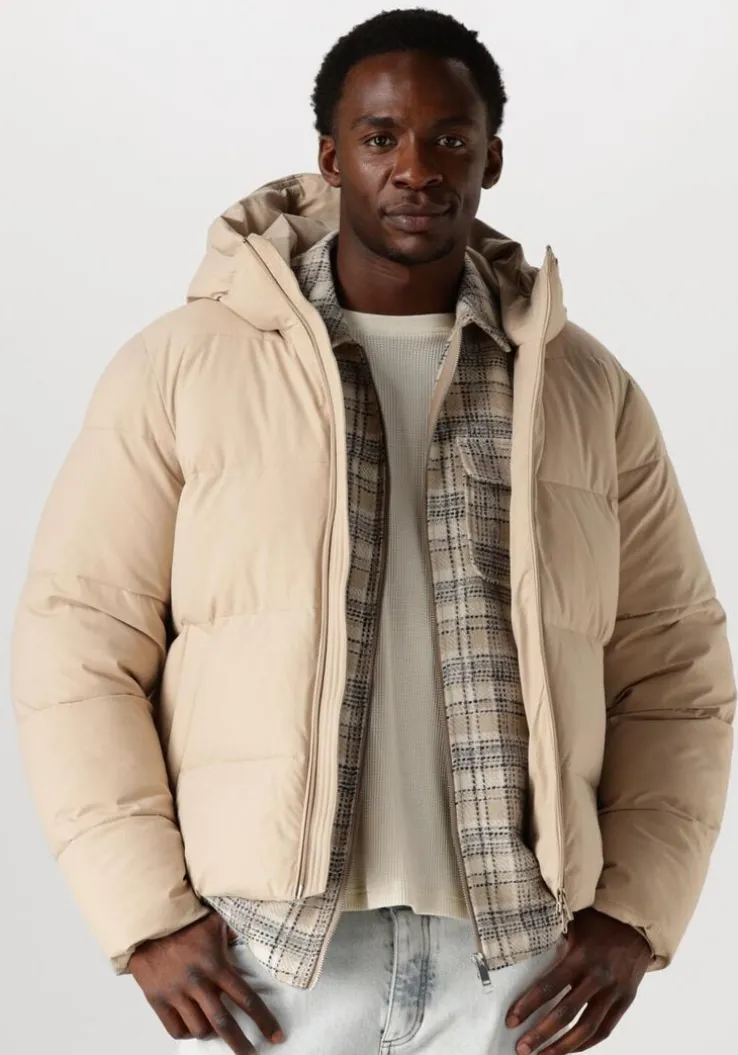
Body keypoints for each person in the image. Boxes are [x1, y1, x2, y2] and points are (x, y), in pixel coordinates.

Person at [10, 7, 735, 1055]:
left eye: (451, 138)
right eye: (382, 136)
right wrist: (146, 913)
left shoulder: (583, 388)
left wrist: (638, 907)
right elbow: (77, 644)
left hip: (516, 958)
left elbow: (676, 667)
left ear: (492, 158)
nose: (417, 168)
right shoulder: (182, 366)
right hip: (268, 956)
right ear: (330, 156)